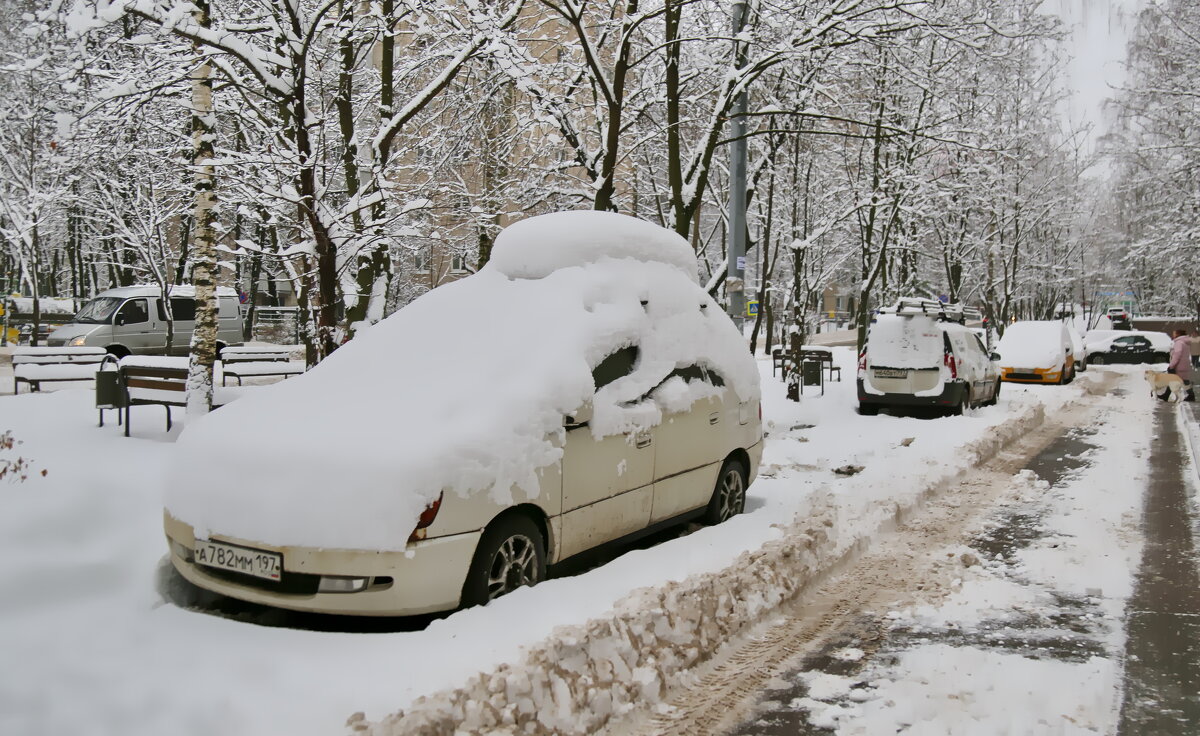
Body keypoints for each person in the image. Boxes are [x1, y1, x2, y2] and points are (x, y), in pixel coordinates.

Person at [1168, 328, 1195, 401]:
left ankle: (1165, 395)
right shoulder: (1185, 342)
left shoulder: (1179, 342)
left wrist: (1171, 366)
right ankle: (1191, 395)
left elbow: (1177, 355)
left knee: (1172, 379)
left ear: (1178, 334)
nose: (1173, 335)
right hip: (1185, 365)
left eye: (1174, 333)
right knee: (1184, 381)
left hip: (1179, 366)